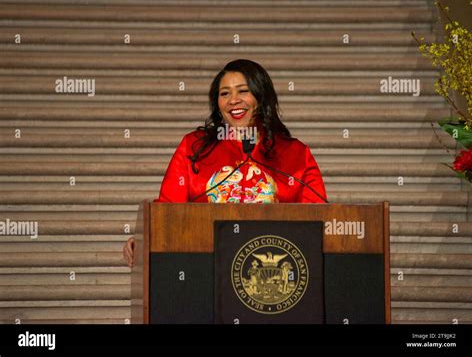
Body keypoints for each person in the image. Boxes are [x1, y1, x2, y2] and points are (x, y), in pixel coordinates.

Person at [123, 59, 327, 266]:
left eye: (243, 91)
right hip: (205, 264)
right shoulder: (193, 147)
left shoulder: (296, 153)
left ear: (261, 97)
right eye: (225, 93)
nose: (233, 100)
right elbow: (167, 211)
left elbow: (318, 220)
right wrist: (145, 238)